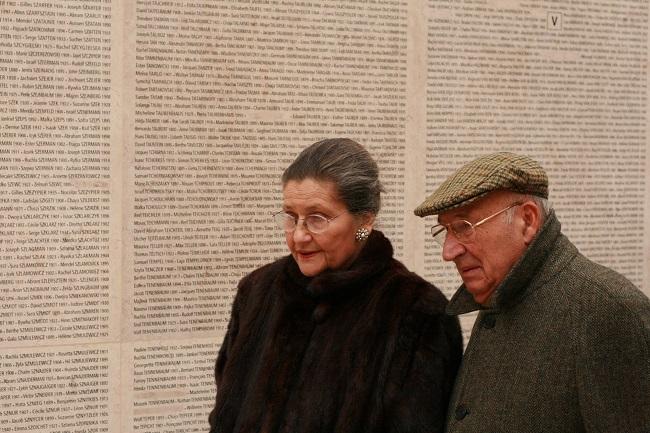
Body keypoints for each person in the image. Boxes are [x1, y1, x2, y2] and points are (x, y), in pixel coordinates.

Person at [208, 138, 463, 433]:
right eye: (291, 217)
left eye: (317, 218)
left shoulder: (415, 311)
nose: (299, 236)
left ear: (365, 222)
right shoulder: (258, 290)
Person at [414, 152, 650, 433]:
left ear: (527, 220)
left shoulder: (607, 311)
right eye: (445, 231)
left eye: (463, 227)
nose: (448, 251)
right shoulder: (499, 292)